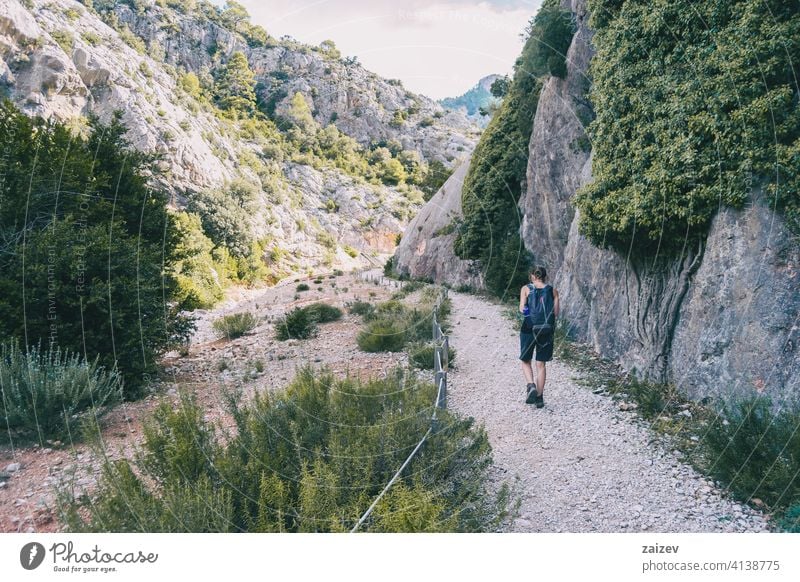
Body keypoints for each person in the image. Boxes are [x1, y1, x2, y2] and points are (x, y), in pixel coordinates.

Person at [519, 266, 559, 407]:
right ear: (545, 276)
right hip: (546, 330)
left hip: (528, 328)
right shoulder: (552, 291)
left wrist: (531, 317)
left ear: (532, 276)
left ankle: (531, 385)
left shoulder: (526, 288)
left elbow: (522, 309)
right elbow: (556, 313)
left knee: (525, 360)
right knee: (541, 364)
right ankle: (540, 398)